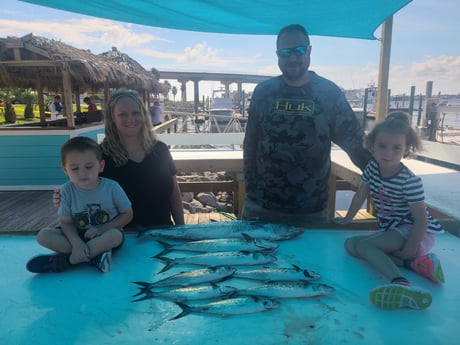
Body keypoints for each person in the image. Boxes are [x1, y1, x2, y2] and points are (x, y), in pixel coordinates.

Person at [242, 24, 372, 226]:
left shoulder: (329, 94)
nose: (293, 58)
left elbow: (356, 144)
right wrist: (251, 188)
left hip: (310, 212)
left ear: (309, 50)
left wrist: (390, 175)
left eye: (299, 50)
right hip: (260, 207)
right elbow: (250, 143)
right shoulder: (263, 92)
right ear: (277, 55)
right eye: (285, 52)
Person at [334, 111, 445, 310]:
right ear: (372, 146)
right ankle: (416, 264)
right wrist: (346, 219)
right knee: (350, 245)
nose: (388, 153)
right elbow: (360, 195)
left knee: (367, 247)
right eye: (382, 146)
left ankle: (401, 283)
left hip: (414, 232)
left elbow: (421, 220)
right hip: (393, 230)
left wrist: (409, 250)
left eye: (396, 148)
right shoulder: (371, 169)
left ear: (406, 150)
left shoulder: (409, 180)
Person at [54, 89, 185, 228]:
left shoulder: (160, 150)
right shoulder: (100, 156)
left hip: (163, 233)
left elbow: (174, 197)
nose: (130, 119)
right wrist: (61, 196)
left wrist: (182, 229)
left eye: (136, 113)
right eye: (123, 114)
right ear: (112, 118)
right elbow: (80, 190)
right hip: (118, 239)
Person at [27, 136, 133, 274]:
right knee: (43, 235)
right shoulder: (66, 190)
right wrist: (77, 243)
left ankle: (67, 261)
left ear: (101, 166)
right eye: (74, 168)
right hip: (75, 236)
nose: (82, 173)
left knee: (115, 236)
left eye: (89, 167)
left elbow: (128, 214)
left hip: (104, 235)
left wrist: (102, 229)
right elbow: (65, 222)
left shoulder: (112, 188)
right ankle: (95, 257)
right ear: (65, 170)